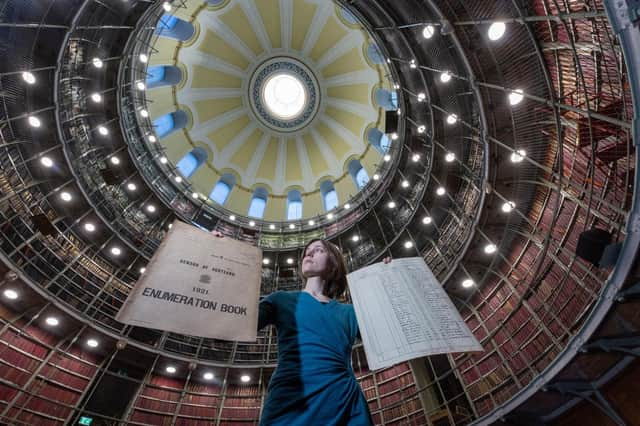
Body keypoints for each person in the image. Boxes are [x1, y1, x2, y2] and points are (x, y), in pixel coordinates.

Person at [212, 233, 389, 425]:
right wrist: (217, 258)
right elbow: (226, 329)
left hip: (345, 402)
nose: (309, 254)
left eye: (318, 250)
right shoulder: (281, 299)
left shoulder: (351, 312)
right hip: (290, 401)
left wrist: (388, 279)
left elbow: (389, 338)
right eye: (307, 253)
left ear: (333, 263)